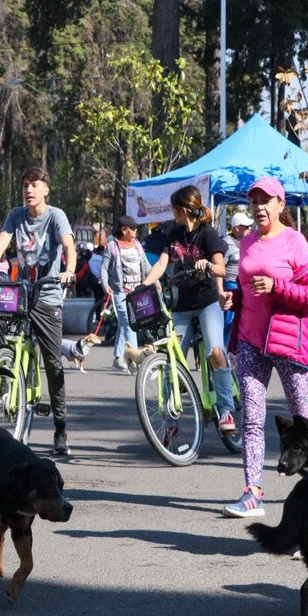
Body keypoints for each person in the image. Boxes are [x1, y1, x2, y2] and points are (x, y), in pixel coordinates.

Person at [222, 176, 308, 518]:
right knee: (251, 419)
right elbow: (249, 289)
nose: (260, 207)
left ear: (281, 205)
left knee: (304, 421)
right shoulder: (247, 242)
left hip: (287, 342)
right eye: (254, 201)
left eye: (266, 200)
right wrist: (233, 298)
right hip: (251, 341)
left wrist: (278, 286)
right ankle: (252, 493)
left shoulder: (296, 243)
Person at [0, 167, 77, 455]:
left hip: (48, 293)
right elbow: (2, 241)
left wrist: (70, 270)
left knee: (52, 362)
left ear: (45, 190)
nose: (29, 190)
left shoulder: (55, 216)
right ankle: (3, 382)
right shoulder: (16, 215)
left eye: (34, 185)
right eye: (25, 185)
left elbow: (68, 245)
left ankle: (60, 427)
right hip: (23, 292)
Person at [142, 185, 237, 433]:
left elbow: (221, 268)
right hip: (181, 306)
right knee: (171, 361)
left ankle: (227, 410)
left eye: (174, 209)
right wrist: (143, 285)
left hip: (206, 303)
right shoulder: (173, 234)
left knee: (215, 351)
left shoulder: (208, 234)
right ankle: (170, 421)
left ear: (183, 210)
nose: (172, 213)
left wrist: (207, 265)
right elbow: (162, 264)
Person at [99, 216, 151, 372]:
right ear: (124, 229)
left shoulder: (137, 244)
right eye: (133, 228)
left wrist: (154, 280)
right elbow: (104, 268)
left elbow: (146, 263)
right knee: (130, 323)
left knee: (124, 324)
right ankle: (136, 361)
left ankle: (117, 357)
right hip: (121, 292)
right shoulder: (112, 246)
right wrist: (105, 284)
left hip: (137, 292)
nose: (136, 230)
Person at [222, 212, 255, 341]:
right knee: (229, 322)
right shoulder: (225, 244)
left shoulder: (247, 242)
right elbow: (219, 267)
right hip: (230, 285)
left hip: (244, 286)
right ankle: (225, 349)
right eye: (246, 226)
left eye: (250, 226)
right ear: (236, 228)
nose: (249, 229)